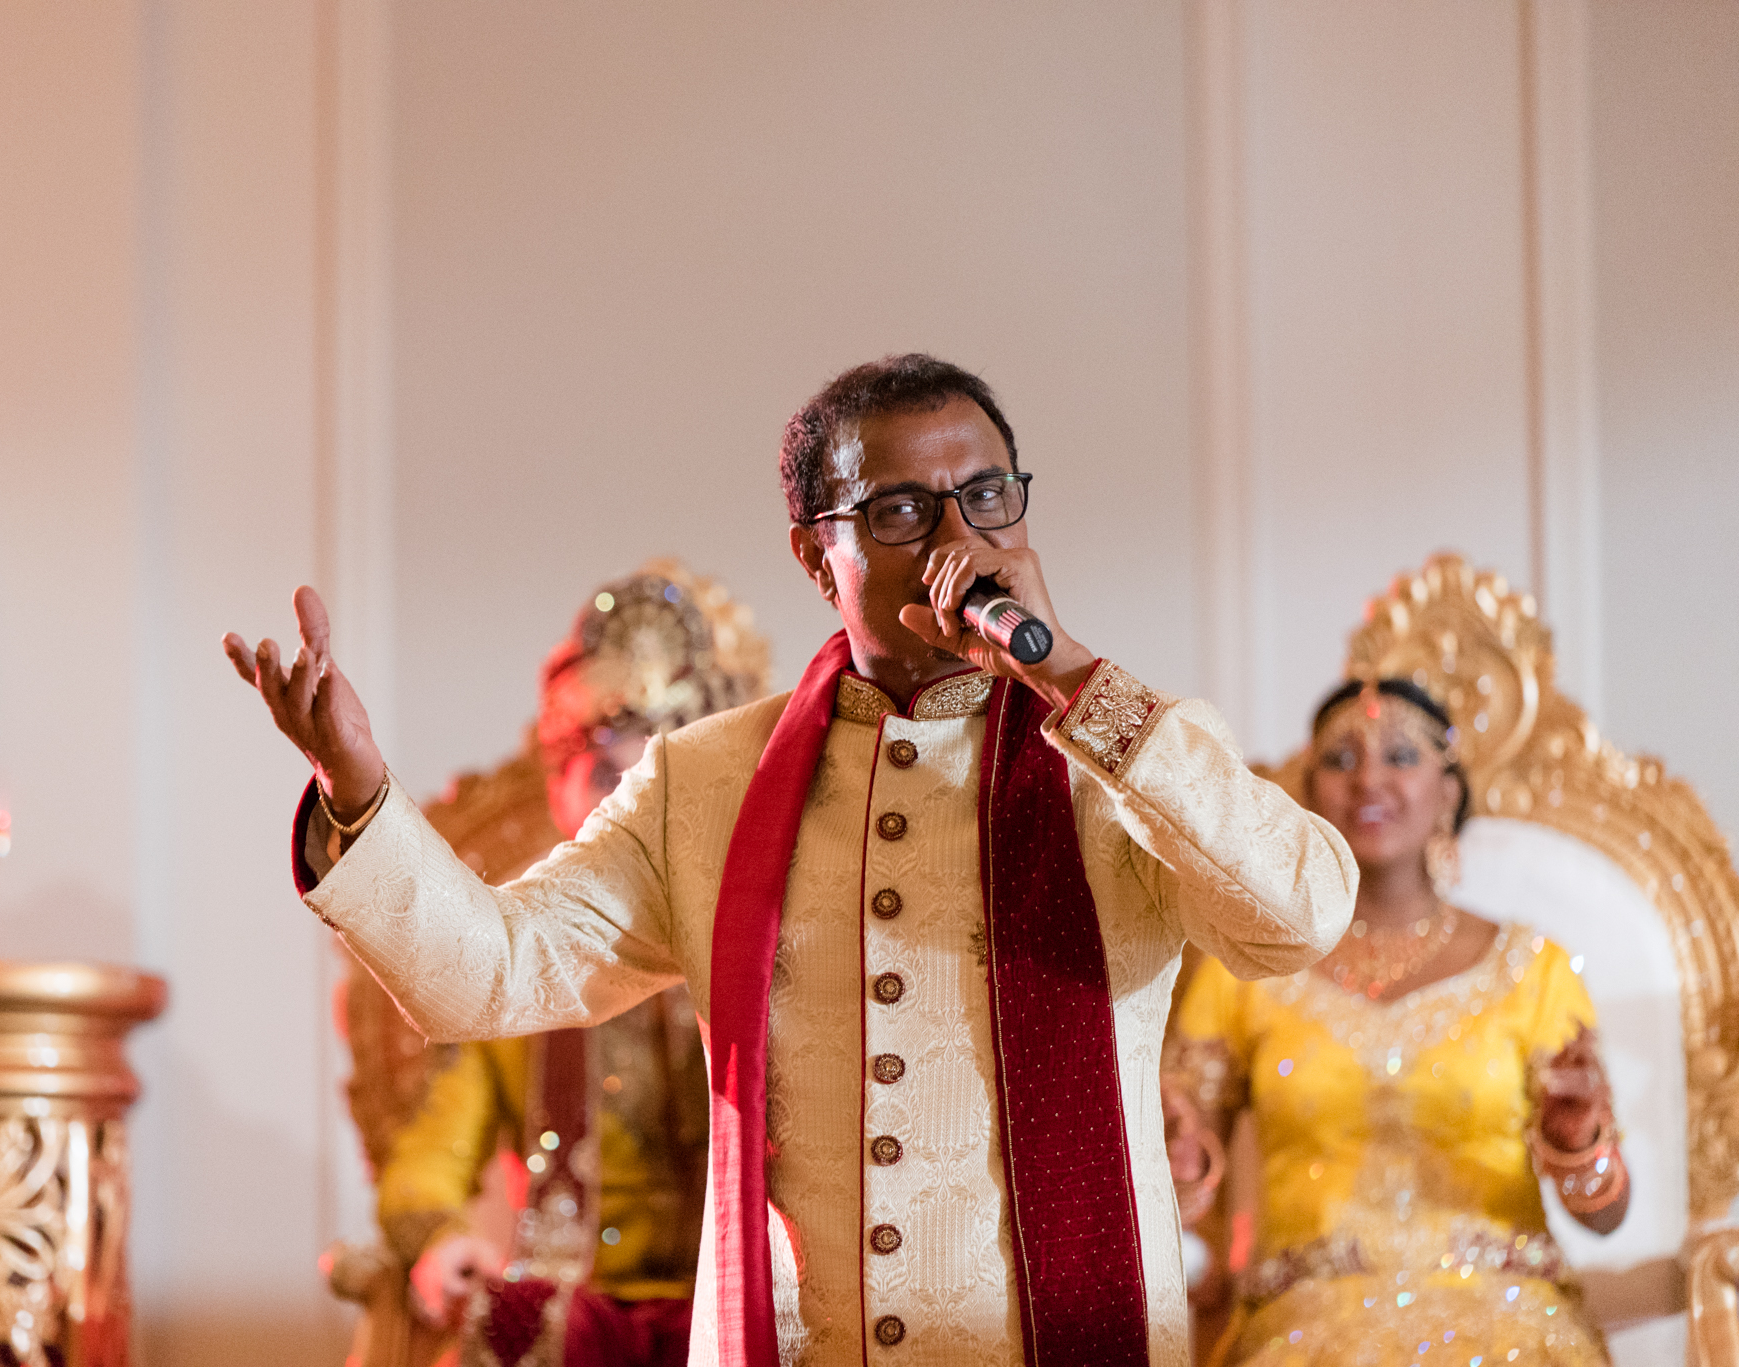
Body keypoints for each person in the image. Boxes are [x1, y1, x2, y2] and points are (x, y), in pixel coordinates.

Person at [225, 353, 1357, 1367]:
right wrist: (356, 792)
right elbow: (495, 970)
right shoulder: (708, 781)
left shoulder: (1125, 750)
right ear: (819, 555)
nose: (959, 540)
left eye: (987, 496)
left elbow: (1297, 915)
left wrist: (1071, 679)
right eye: (905, 508)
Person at [1164, 679, 1629, 1367]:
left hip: (1514, 1320)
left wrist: (1578, 1142)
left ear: (1448, 790)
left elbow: (1606, 1216)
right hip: (1307, 1323)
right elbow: (1178, 1181)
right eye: (1341, 760)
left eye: (1402, 756)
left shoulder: (1533, 970)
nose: (1370, 780)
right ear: (1308, 790)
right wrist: (1176, 1156)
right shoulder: (1249, 966)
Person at [384, 561, 768, 1367]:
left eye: (654, 785)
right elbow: (427, 1166)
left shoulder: (784, 928)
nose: (628, 813)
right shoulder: (504, 955)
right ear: (556, 785)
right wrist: (442, 1242)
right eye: (604, 776)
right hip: (579, 1311)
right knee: (524, 1322)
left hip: (749, 1291)